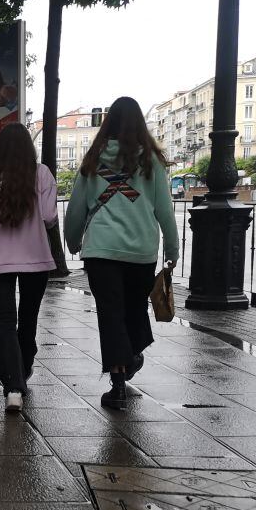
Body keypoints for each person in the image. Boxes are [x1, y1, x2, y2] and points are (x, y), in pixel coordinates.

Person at [64, 96, 179, 411]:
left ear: (108, 123)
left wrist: (73, 241)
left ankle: (119, 378)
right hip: (141, 251)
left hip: (101, 251)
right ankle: (128, 362)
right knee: (133, 310)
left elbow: (75, 208)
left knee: (111, 314)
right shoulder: (149, 162)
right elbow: (164, 210)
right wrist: (172, 248)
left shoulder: (93, 160)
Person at [0, 123, 58, 413]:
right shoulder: (41, 174)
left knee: (5, 322)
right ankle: (25, 366)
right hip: (35, 258)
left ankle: (13, 386)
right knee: (28, 318)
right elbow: (48, 217)